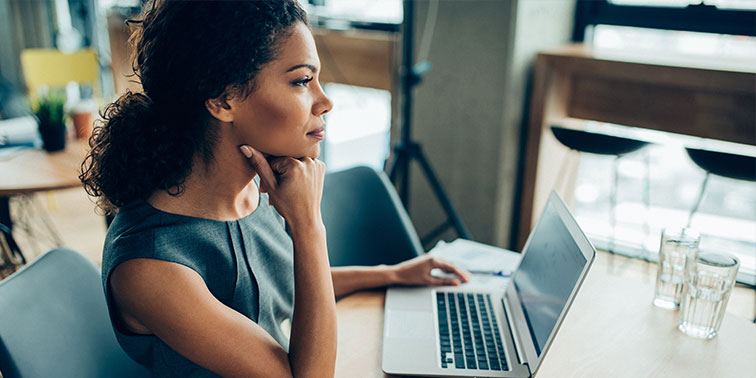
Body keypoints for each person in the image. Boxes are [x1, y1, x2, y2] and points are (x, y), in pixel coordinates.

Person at [80, 1, 470, 377]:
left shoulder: (251, 193)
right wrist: (307, 225)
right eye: (302, 81)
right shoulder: (150, 267)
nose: (325, 101)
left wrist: (393, 274)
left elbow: (286, 283)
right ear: (222, 99)